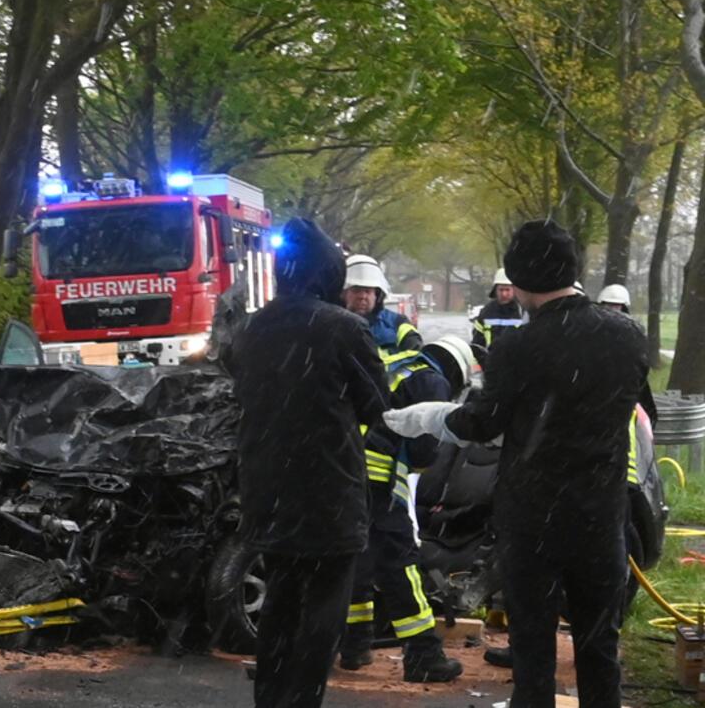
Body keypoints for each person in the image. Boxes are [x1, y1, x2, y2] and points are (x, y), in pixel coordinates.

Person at [387, 220, 652, 708]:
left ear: (522, 280)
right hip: (601, 515)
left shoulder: (519, 346)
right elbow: (633, 411)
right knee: (599, 647)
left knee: (533, 654)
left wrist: (428, 416)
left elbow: (480, 425)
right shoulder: (628, 336)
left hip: (534, 522)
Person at [222, 218, 388, 708]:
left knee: (281, 599)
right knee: (323, 609)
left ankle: (272, 698)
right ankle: (303, 699)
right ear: (330, 274)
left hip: (267, 486)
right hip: (327, 492)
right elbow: (377, 406)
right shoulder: (344, 329)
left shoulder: (252, 328)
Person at [337, 256, 462, 682]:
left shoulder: (397, 333)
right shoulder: (341, 329)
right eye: (356, 290)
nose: (362, 297)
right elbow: (423, 433)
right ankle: (422, 655)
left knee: (356, 556)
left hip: (344, 468)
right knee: (397, 559)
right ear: (343, 291)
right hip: (377, 472)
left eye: (368, 292)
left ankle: (354, 645)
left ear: (380, 295)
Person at [471, 268, 527, 365]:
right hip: (491, 364)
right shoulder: (486, 312)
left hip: (517, 366)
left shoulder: (523, 312)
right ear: (495, 290)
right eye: (501, 290)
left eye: (507, 290)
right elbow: (477, 343)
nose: (504, 294)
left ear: (514, 290)